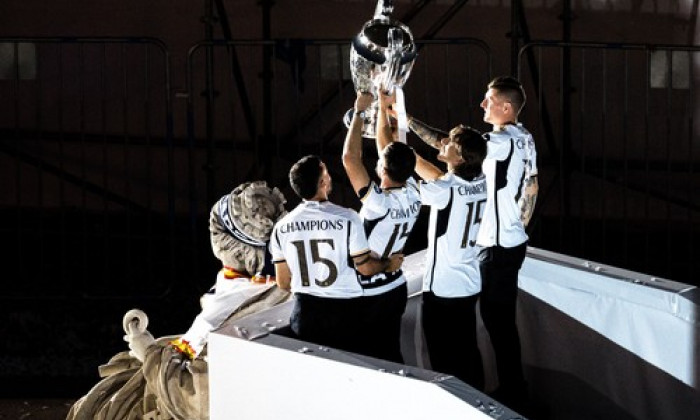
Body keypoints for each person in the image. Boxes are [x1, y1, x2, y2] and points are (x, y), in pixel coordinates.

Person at [67, 181, 291, 420]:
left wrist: (149, 353)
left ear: (230, 247)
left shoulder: (241, 309)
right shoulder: (280, 285)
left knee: (106, 405)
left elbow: (197, 399)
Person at [389, 93, 488, 390]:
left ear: (459, 158)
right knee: (469, 352)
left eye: (449, 145)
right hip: (469, 282)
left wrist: (399, 148)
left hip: (444, 289)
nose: (442, 144)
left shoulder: (445, 190)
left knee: (445, 361)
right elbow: (436, 173)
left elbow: (414, 176)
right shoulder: (480, 181)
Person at [269, 155, 403, 355]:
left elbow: (284, 283)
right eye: (327, 173)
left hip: (304, 315)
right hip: (344, 314)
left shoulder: (281, 228)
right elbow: (365, 267)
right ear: (323, 182)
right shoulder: (348, 218)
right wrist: (387, 264)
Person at [341, 91, 421, 363]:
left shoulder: (379, 202)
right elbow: (386, 146)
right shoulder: (414, 191)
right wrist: (385, 109)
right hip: (396, 285)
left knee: (368, 359)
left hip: (370, 287)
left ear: (382, 171)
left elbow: (350, 159)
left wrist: (360, 112)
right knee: (392, 353)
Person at [475, 75, 538, 410]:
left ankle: (513, 394)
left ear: (506, 107)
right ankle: (514, 388)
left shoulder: (500, 140)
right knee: (503, 322)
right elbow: (533, 187)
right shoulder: (526, 137)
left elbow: (455, 148)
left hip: (498, 247)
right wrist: (519, 225)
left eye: (488, 100)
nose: (482, 105)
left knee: (496, 322)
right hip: (513, 241)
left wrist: (409, 123)